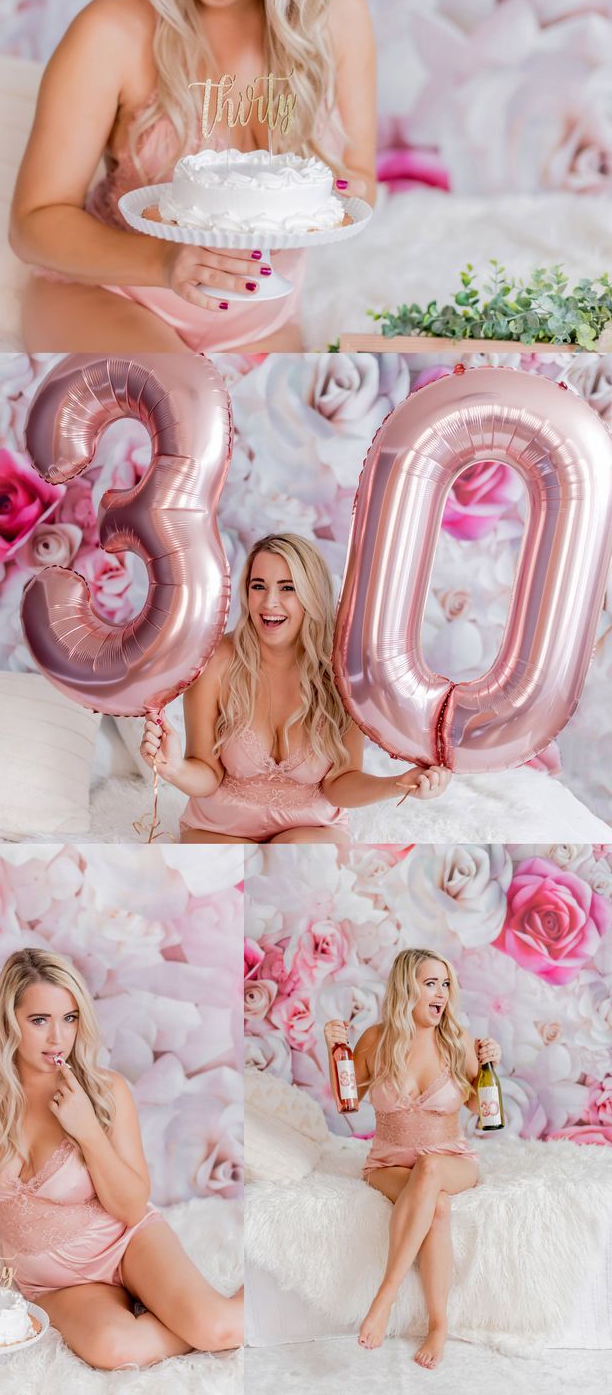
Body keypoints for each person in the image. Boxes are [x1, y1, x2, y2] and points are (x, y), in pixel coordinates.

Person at [9, 0, 376, 354]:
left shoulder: (339, 16)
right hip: (108, 297)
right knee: (180, 402)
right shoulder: (109, 32)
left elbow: (361, 179)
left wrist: (327, 197)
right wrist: (163, 261)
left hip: (261, 319)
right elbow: (33, 223)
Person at [0, 948, 243, 1371]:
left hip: (127, 1244)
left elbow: (129, 1206)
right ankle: (171, 1315)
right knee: (114, 1350)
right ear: (9, 1021)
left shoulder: (107, 1091)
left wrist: (86, 1129)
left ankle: (230, 1307)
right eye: (40, 1021)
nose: (58, 1038)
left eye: (69, 1018)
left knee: (217, 1330)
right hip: (53, 1282)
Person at [141, 534, 451, 844]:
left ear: (312, 594)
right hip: (219, 828)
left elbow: (339, 782)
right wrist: (175, 769)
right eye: (258, 586)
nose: (269, 602)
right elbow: (207, 774)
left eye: (287, 588)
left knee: (299, 867)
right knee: (229, 877)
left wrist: (400, 783)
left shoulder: (343, 674)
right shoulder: (215, 661)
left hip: (311, 830)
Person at [325, 947, 502, 1371]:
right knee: (435, 1204)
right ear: (408, 989)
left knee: (432, 1168)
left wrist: (489, 1066)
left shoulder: (458, 1041)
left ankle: (384, 1296)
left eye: (445, 983)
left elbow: (485, 1111)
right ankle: (439, 1324)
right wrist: (336, 1050)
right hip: (386, 1164)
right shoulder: (376, 1039)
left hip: (451, 1159)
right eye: (430, 983)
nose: (440, 992)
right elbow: (348, 1102)